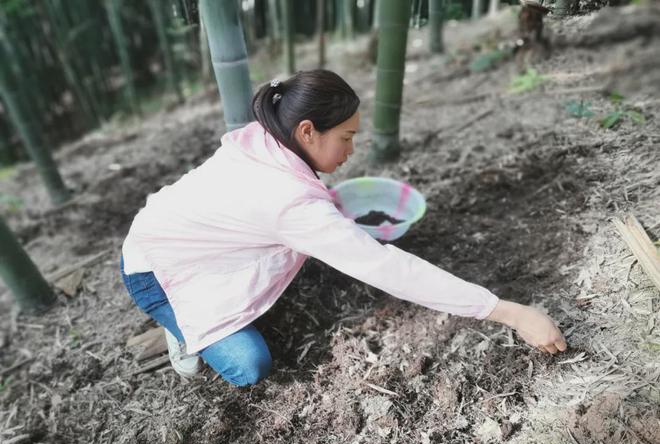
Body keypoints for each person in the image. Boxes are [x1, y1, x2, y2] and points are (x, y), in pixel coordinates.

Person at [120, 69, 567, 386]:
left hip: (185, 238)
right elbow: (388, 269)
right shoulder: (286, 200)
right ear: (308, 131)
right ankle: (181, 328)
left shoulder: (269, 135)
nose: (352, 150)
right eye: (347, 138)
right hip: (155, 269)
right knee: (249, 366)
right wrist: (511, 312)